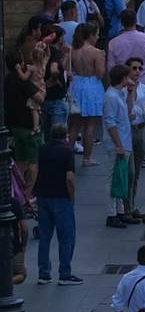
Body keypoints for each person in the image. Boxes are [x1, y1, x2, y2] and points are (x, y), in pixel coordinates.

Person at [35, 122, 82, 285]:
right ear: (65, 136)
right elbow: (69, 178)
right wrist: (72, 197)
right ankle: (65, 273)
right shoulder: (67, 153)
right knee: (66, 237)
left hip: (43, 196)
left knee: (45, 236)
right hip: (61, 198)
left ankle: (43, 273)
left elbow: (34, 170)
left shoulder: (42, 150)